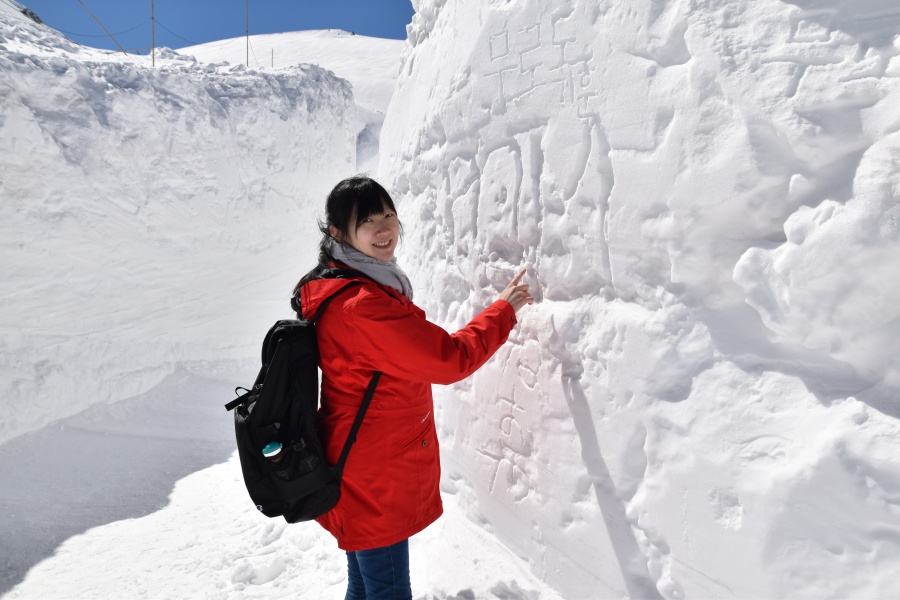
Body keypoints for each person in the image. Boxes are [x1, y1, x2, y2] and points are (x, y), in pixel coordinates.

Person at [293, 176, 533, 600]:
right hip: (373, 476)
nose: (384, 229)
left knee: (365, 586)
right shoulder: (362, 305)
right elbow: (448, 359)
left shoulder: (340, 283)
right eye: (368, 221)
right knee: (386, 590)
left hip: (355, 461)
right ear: (338, 233)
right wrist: (502, 312)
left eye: (388, 214)